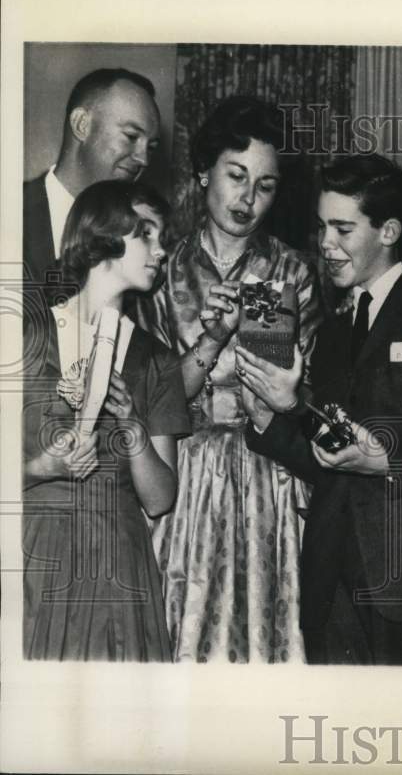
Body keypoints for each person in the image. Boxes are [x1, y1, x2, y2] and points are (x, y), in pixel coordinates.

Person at [242, 154, 402, 664]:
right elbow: (330, 452)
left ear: (389, 231)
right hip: (332, 581)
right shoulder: (332, 332)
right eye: (321, 228)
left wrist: (386, 459)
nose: (325, 245)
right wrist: (275, 412)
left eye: (342, 229)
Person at [136, 95, 320, 662]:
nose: (248, 197)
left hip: (269, 479)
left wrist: (283, 387)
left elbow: (307, 400)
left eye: (265, 185)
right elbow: (154, 402)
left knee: (267, 640)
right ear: (202, 172)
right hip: (185, 477)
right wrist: (213, 337)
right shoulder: (160, 268)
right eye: (236, 176)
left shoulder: (291, 270)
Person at [22, 180, 188, 661]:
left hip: (118, 566)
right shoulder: (26, 338)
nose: (161, 249)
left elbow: (160, 500)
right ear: (101, 236)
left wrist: (134, 432)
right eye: (146, 234)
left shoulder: (157, 361)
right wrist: (41, 469)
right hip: (35, 556)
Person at [24, 68, 161, 283]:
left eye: (151, 148)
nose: (143, 159)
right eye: (131, 136)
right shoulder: (12, 210)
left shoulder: (143, 239)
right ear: (81, 125)